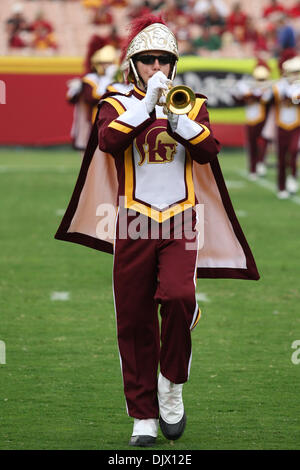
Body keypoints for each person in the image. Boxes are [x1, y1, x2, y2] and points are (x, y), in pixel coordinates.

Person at [55, 13, 259, 447]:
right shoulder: (114, 102)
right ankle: (143, 416)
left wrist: (175, 115)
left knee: (181, 297)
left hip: (181, 217)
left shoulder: (192, 102)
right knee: (133, 319)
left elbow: (208, 151)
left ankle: (171, 383)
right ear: (133, 64)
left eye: (164, 60)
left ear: (174, 63)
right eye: (147, 60)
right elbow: (109, 143)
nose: (157, 68)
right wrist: (146, 106)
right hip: (131, 218)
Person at [231, 61, 272, 179]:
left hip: (264, 119)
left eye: (263, 79)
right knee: (252, 145)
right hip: (251, 119)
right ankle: (253, 168)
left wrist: (256, 92)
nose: (260, 82)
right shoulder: (249, 88)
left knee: (263, 142)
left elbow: (264, 99)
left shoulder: (269, 89)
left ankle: (260, 162)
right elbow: (240, 100)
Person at [267, 56, 300, 197]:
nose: (296, 75)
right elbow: (271, 98)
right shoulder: (279, 86)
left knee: (293, 151)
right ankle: (281, 187)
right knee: (281, 157)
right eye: (293, 72)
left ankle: (292, 177)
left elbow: (295, 99)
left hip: (296, 125)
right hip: (281, 126)